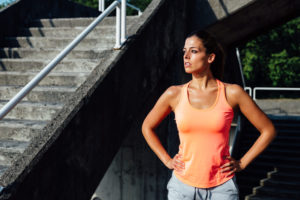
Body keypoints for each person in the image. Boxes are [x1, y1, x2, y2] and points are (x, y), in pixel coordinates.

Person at [141, 30, 276, 200]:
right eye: (184, 51)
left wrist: (242, 163)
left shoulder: (232, 93)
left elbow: (268, 130)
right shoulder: (173, 94)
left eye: (194, 51)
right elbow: (147, 127)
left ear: (210, 58)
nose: (186, 56)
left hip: (222, 188)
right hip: (181, 187)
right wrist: (167, 160)